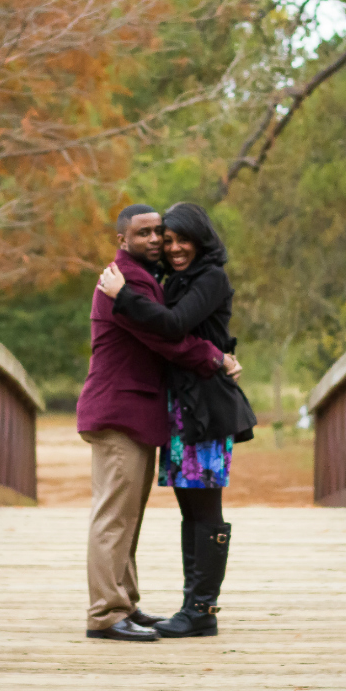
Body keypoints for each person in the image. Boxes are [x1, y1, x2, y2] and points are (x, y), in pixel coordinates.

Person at [75, 204, 241, 643]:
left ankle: (126, 603)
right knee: (114, 515)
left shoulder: (153, 279)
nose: (158, 242)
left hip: (143, 412)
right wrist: (216, 357)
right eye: (148, 234)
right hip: (119, 410)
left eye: (161, 234)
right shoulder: (122, 281)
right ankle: (107, 613)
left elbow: (173, 326)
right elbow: (166, 336)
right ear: (122, 238)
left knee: (127, 514)